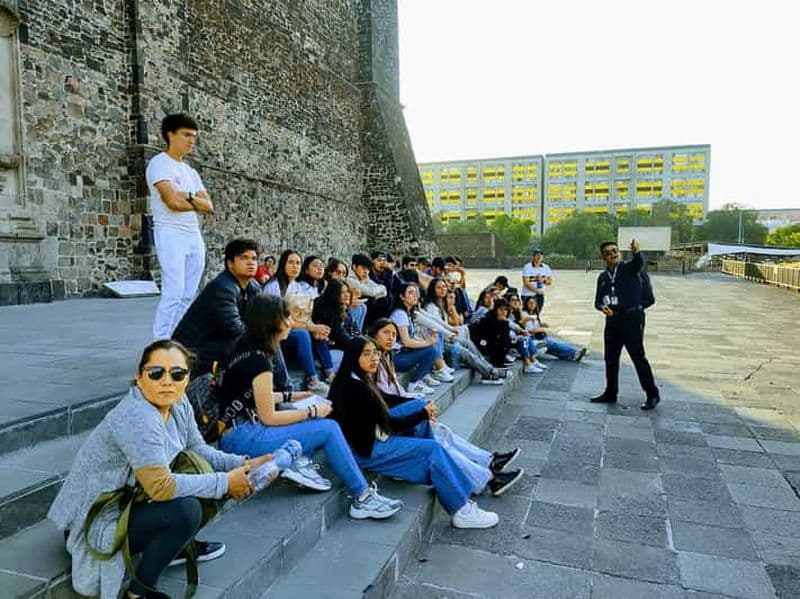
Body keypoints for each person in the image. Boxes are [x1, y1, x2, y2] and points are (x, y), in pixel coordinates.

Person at [48, 340, 270, 599]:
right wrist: (225, 482)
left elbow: (197, 447)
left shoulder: (177, 402)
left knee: (204, 472)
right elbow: (160, 486)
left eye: (177, 374)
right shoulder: (138, 417)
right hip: (97, 517)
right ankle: (139, 592)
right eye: (156, 373)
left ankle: (173, 545)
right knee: (187, 510)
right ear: (140, 378)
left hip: (131, 499)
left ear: (187, 378)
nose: (167, 381)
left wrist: (242, 463)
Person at [216, 294, 402, 518]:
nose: (291, 323)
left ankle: (297, 460)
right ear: (271, 321)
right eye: (286, 317)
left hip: (236, 430)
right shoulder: (260, 360)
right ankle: (362, 498)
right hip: (244, 436)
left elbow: (254, 396)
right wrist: (312, 410)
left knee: (307, 416)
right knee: (328, 427)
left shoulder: (243, 346)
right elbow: (269, 418)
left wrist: (290, 396)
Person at [329, 336, 500, 529]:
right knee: (432, 449)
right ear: (353, 357)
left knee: (418, 408)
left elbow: (385, 399)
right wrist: (422, 414)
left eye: (375, 353)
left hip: (368, 437)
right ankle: (462, 510)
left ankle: (437, 468)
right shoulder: (355, 388)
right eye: (366, 354)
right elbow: (389, 425)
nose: (374, 358)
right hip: (364, 451)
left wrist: (421, 407)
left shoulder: (356, 376)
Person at [366, 321, 524, 495]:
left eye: (394, 334)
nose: (390, 338)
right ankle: (488, 479)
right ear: (373, 335)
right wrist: (419, 411)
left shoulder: (385, 357)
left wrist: (420, 408)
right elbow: (383, 400)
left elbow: (395, 392)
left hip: (397, 414)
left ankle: (489, 462)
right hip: (388, 426)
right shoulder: (371, 365)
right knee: (439, 441)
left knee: (442, 431)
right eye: (385, 333)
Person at [146, 114, 214, 339]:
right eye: (186, 135)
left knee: (188, 295)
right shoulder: (159, 164)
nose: (191, 141)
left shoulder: (190, 172)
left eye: (194, 136)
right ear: (170, 135)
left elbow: (209, 206)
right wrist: (193, 201)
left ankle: (176, 340)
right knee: (173, 293)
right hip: (170, 233)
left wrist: (189, 195)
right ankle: (159, 344)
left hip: (192, 234)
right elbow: (172, 202)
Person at [172, 239, 261, 376]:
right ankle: (281, 389)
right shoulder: (222, 288)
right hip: (195, 351)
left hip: (220, 343)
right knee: (262, 338)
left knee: (271, 334)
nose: (251, 262)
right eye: (244, 258)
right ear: (230, 264)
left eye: (254, 259)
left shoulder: (253, 287)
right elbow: (234, 329)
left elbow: (265, 316)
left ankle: (279, 389)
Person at [591, 239, 660, 410]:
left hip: (632, 318)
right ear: (603, 257)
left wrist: (636, 252)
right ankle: (611, 392)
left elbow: (638, 263)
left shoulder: (629, 269)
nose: (613, 254)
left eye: (615, 251)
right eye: (608, 252)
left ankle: (652, 394)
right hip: (612, 320)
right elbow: (598, 301)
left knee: (638, 357)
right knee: (611, 358)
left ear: (619, 252)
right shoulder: (603, 277)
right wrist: (602, 308)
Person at [263, 250, 332, 392]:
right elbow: (278, 320)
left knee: (320, 333)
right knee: (303, 334)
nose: (295, 266)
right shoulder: (274, 286)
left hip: (293, 329)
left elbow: (303, 316)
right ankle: (312, 380)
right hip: (276, 336)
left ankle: (330, 373)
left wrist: (316, 328)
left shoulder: (297, 286)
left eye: (298, 263)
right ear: (283, 264)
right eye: (291, 262)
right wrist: (310, 328)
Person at [420, 279, 509, 384]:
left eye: (444, 286)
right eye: (439, 287)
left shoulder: (441, 306)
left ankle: (489, 368)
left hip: (446, 338)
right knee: (464, 352)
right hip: (438, 342)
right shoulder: (431, 307)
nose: (443, 289)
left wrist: (450, 329)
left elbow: (446, 324)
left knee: (468, 343)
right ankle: (489, 373)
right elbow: (435, 326)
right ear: (432, 290)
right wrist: (450, 332)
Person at [391, 282, 455, 393]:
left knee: (431, 346)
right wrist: (428, 341)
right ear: (402, 296)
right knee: (430, 349)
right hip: (395, 358)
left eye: (416, 292)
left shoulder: (409, 312)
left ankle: (426, 374)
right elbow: (406, 342)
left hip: (403, 353)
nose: (415, 295)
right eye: (411, 293)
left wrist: (429, 341)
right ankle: (414, 383)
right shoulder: (400, 314)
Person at [522, 296, 587, 362]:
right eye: (530, 303)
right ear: (526, 304)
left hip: (538, 337)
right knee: (554, 345)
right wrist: (542, 329)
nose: (532, 304)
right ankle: (575, 352)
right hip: (532, 339)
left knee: (553, 349)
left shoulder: (535, 314)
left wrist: (542, 324)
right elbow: (530, 330)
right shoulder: (524, 314)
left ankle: (573, 356)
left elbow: (536, 327)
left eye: (534, 303)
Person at [347, 253, 389, 328]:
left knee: (385, 299)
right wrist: (378, 290)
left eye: (368, 269)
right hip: (349, 305)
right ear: (354, 267)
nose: (366, 272)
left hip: (360, 302)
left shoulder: (363, 276)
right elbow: (371, 292)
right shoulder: (349, 278)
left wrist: (377, 290)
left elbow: (384, 291)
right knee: (368, 302)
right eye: (363, 268)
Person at [521, 248, 553, 313]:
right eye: (537, 255)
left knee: (537, 313)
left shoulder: (546, 267)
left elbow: (550, 281)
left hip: (540, 295)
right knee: (527, 313)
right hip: (528, 295)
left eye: (540, 255)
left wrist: (543, 280)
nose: (539, 257)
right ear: (533, 257)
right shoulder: (527, 267)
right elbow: (526, 283)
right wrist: (537, 291)